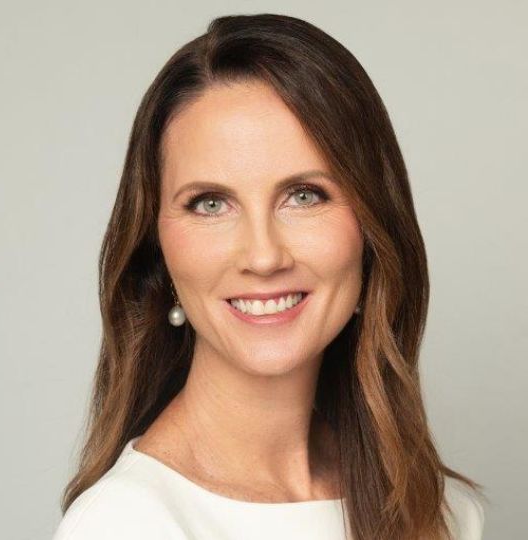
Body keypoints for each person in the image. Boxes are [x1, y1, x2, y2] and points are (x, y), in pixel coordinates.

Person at [52, 13, 486, 540]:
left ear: (374, 228)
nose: (262, 256)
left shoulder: (439, 511)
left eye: (304, 195)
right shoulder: (124, 525)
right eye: (210, 203)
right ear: (157, 249)